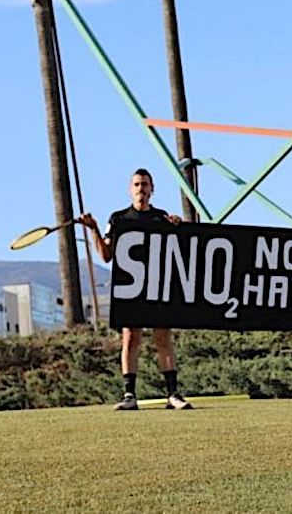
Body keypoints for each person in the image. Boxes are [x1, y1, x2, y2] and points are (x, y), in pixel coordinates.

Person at [80, 168, 192, 411]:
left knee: (163, 338)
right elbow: (106, 255)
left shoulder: (162, 218)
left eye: (145, 184)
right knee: (130, 340)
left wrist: (179, 228)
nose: (141, 189)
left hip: (157, 287)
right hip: (129, 289)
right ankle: (129, 395)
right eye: (137, 184)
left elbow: (182, 251)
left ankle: (173, 394)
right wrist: (94, 229)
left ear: (152, 189)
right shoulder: (119, 219)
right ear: (130, 189)